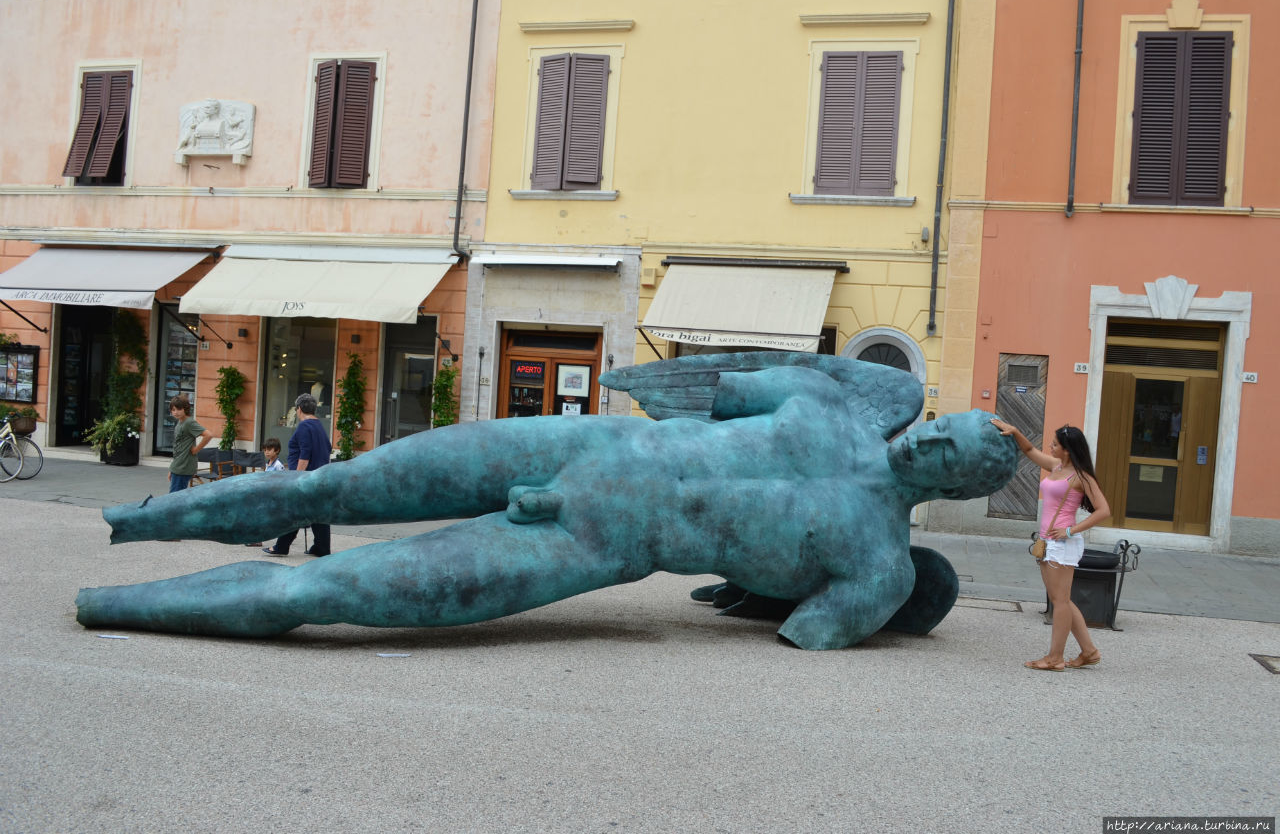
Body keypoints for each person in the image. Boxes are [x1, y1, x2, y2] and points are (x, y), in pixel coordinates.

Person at [79, 355, 1018, 650]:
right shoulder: (831, 406)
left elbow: (811, 632)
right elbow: (711, 385)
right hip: (581, 443)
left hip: (598, 539)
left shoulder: (879, 564)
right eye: (948, 422)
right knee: (329, 483)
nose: (933, 438)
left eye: (957, 453)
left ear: (960, 489)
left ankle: (110, 608)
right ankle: (140, 521)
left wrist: (899, 603)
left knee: (326, 597)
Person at [989, 418, 1111, 671]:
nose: (1051, 447)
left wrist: (1070, 530)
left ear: (1067, 449)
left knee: (1061, 601)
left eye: (1055, 444)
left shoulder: (1081, 476)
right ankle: (1089, 651)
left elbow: (1103, 511)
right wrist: (1016, 431)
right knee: (1062, 599)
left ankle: (1055, 658)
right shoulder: (1056, 466)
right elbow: (1029, 451)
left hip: (1062, 543)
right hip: (1048, 541)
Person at [263, 394, 331, 557]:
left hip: (305, 477)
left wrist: (297, 478)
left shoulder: (304, 426)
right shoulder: (318, 425)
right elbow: (327, 448)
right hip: (319, 475)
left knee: (293, 512)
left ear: (298, 409)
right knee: (317, 513)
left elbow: (305, 455)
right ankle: (321, 547)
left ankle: (281, 546)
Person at [167, 395, 213, 494]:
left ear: (185, 409)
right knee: (175, 496)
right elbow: (178, 447)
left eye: (179, 409)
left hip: (184, 466)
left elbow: (208, 435)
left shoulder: (189, 422)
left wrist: (196, 450)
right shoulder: (180, 422)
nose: (176, 412)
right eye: (173, 409)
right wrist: (172, 469)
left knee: (175, 498)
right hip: (178, 466)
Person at [244, 438, 285, 548]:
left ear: (277, 450)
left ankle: (258, 539)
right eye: (265, 450)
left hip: (272, 496)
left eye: (269, 449)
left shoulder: (278, 465)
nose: (266, 452)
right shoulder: (268, 464)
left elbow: (281, 481)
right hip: (265, 495)